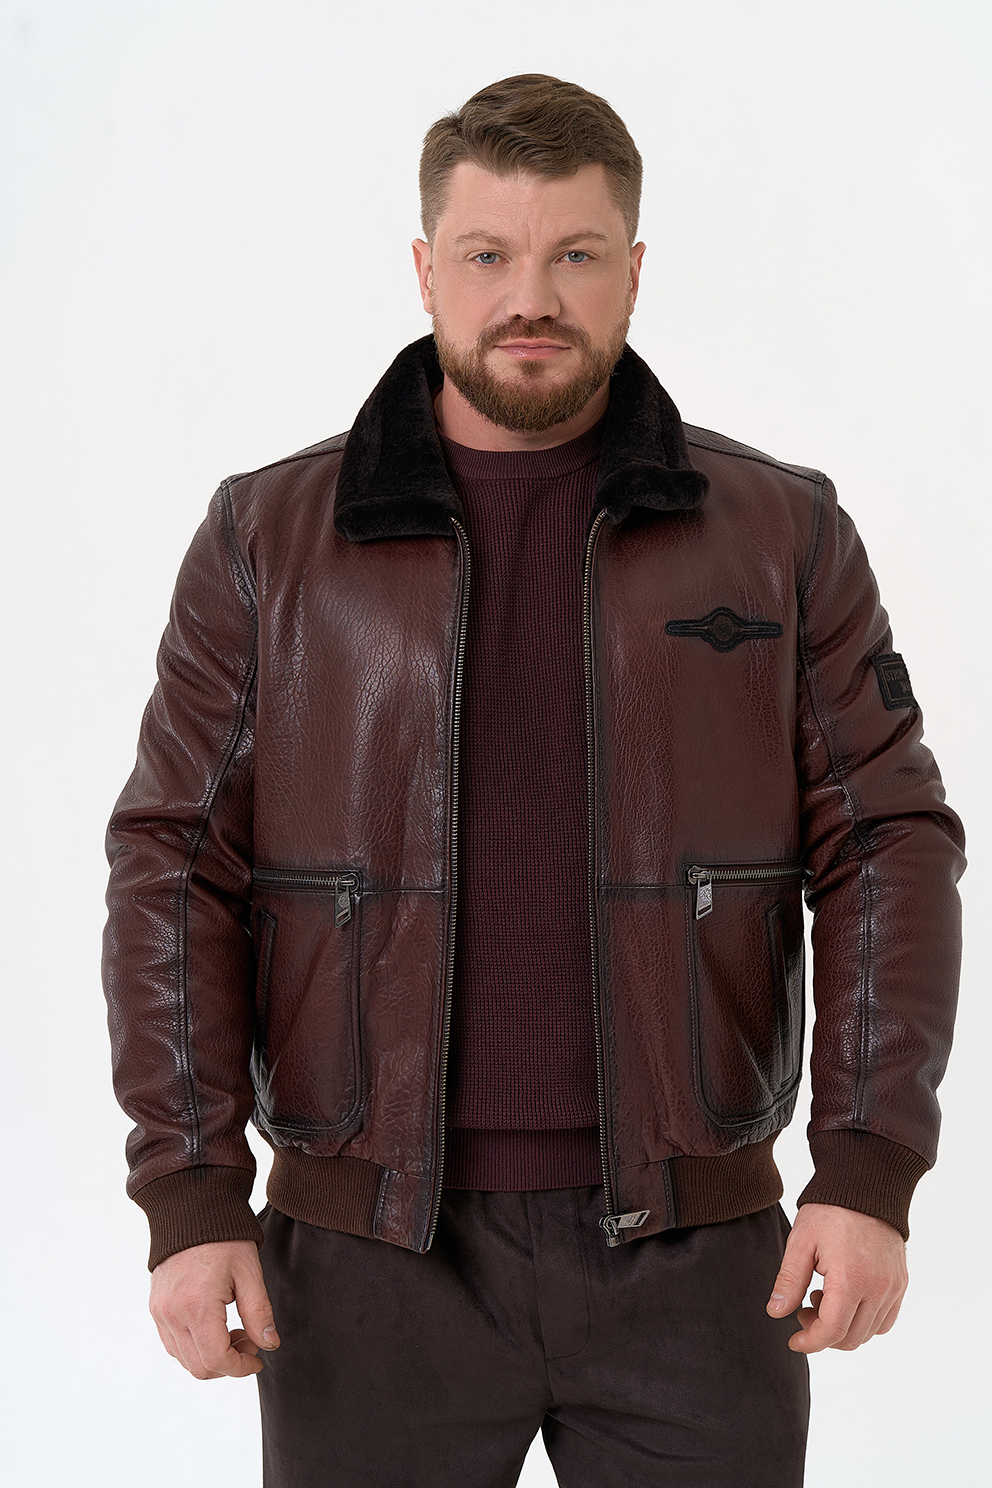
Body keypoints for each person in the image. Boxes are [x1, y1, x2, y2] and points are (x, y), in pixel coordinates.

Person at [103, 74, 965, 1488]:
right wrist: (189, 1192)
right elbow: (173, 864)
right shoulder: (268, 539)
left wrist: (869, 1169)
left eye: (574, 254)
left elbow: (888, 842)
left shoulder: (781, 531)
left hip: (699, 1253)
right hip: (368, 1255)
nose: (531, 299)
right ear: (425, 267)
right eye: (488, 255)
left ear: (633, 269)